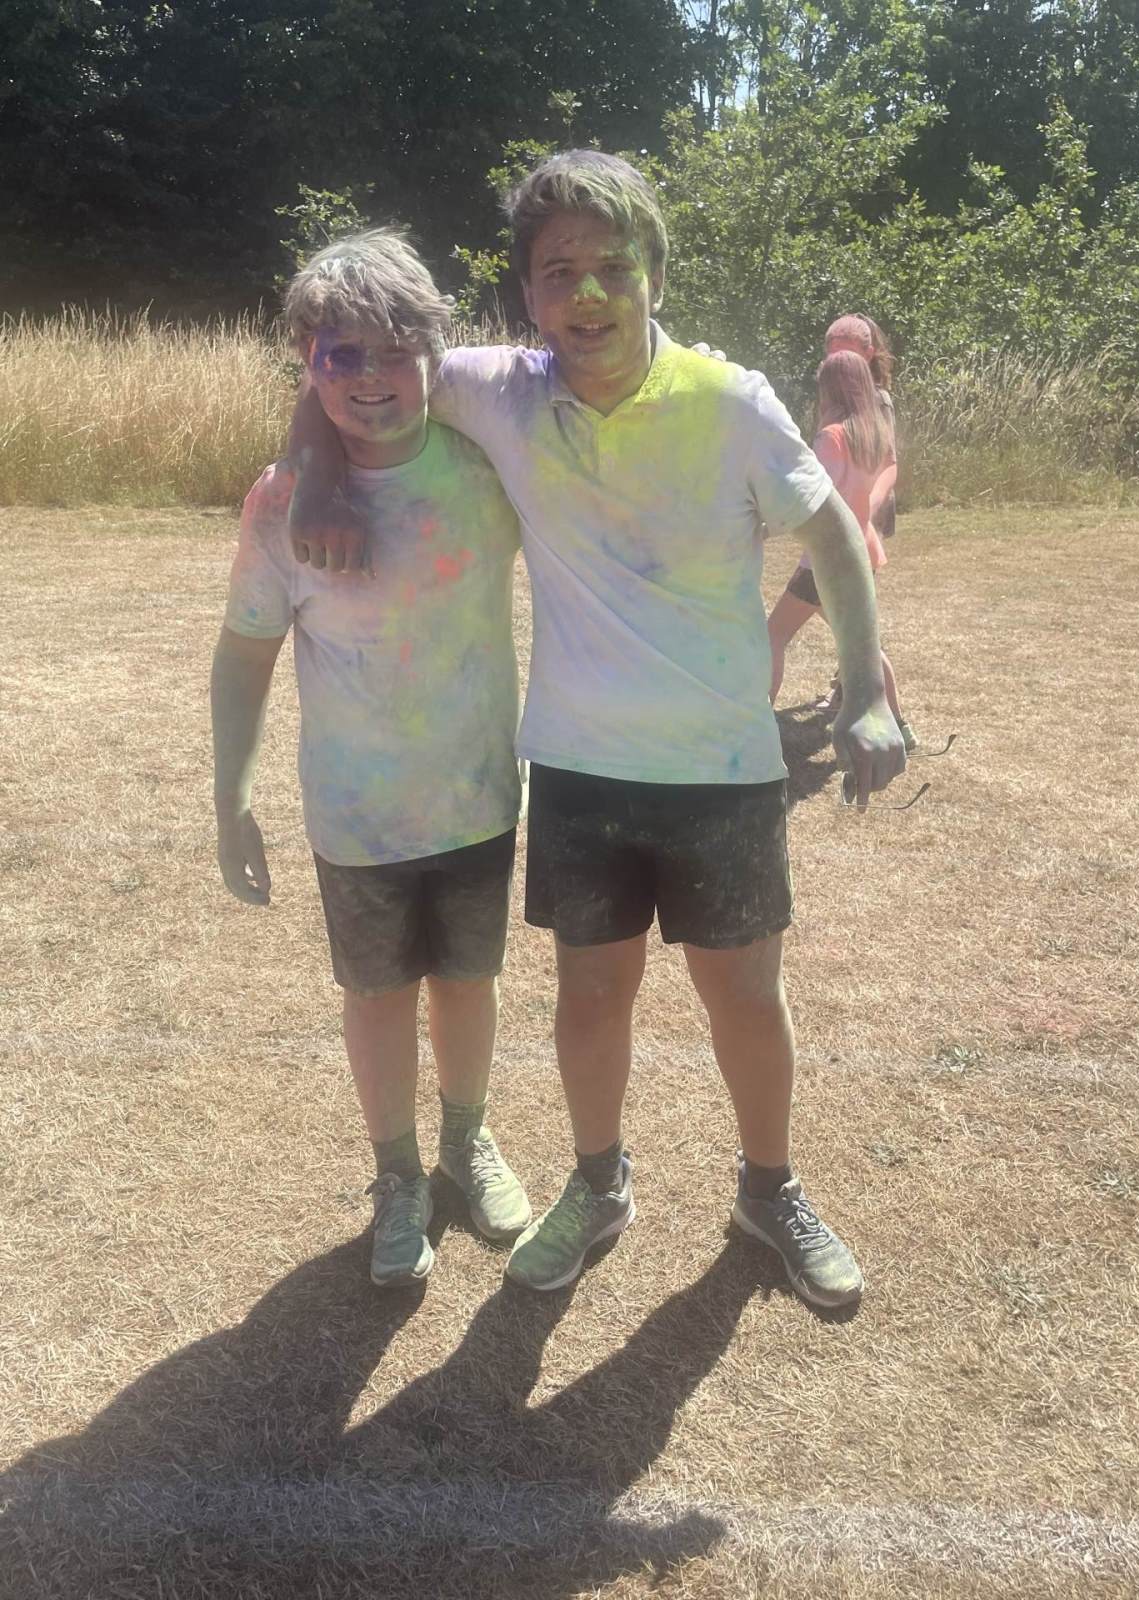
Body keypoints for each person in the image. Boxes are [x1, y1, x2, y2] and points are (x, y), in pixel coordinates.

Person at [288, 151, 907, 1309]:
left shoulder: (731, 402)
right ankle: (598, 1182)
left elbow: (831, 537)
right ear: (527, 293)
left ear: (655, 277)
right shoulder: (504, 390)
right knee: (589, 1001)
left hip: (723, 767)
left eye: (613, 267)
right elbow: (356, 354)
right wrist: (311, 466)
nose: (586, 293)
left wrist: (866, 687)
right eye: (558, 269)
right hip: (579, 772)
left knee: (745, 999)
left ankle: (768, 1190)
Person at [210, 230, 532, 1289]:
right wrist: (231, 793)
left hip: (479, 796)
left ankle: (466, 1141)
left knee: (470, 983)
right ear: (307, 364)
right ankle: (397, 1175)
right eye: (338, 356)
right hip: (356, 816)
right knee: (380, 995)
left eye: (394, 351)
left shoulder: (486, 466)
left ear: (434, 350)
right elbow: (245, 652)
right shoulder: (279, 504)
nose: (369, 378)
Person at [766, 351, 917, 752]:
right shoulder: (872, 434)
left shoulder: (831, 437)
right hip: (862, 550)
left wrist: (768, 520)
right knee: (862, 645)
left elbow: (814, 497)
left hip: (828, 557)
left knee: (773, 635)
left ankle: (756, 723)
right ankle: (899, 726)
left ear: (828, 389)